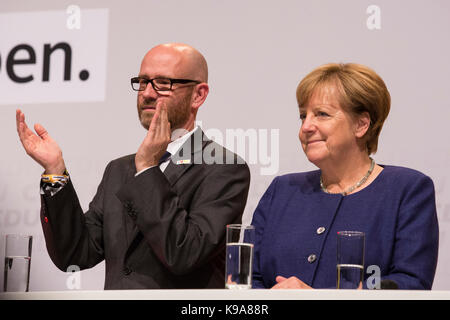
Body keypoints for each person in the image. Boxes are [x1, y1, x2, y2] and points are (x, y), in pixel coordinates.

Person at [16, 43, 250, 289]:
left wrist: (148, 169)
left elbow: (183, 253)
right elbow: (76, 254)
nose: (147, 93)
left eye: (162, 83)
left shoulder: (224, 168)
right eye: (142, 81)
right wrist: (56, 172)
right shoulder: (119, 170)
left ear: (198, 95)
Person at [251, 63, 439, 290]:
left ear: (361, 124)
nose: (306, 126)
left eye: (321, 114)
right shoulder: (282, 189)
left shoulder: (407, 189)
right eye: (303, 115)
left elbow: (411, 283)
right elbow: (248, 278)